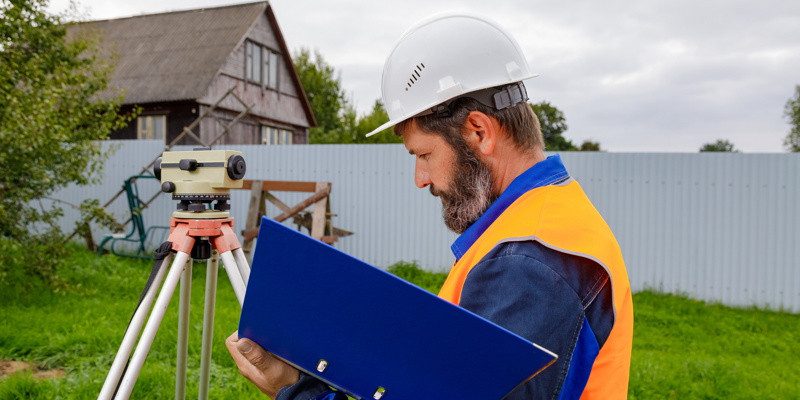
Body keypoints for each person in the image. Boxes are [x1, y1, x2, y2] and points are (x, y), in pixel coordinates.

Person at [226, 13, 633, 400]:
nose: (420, 179)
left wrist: (297, 389)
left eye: (422, 155)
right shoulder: (545, 220)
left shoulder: (528, 263)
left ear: (478, 132)